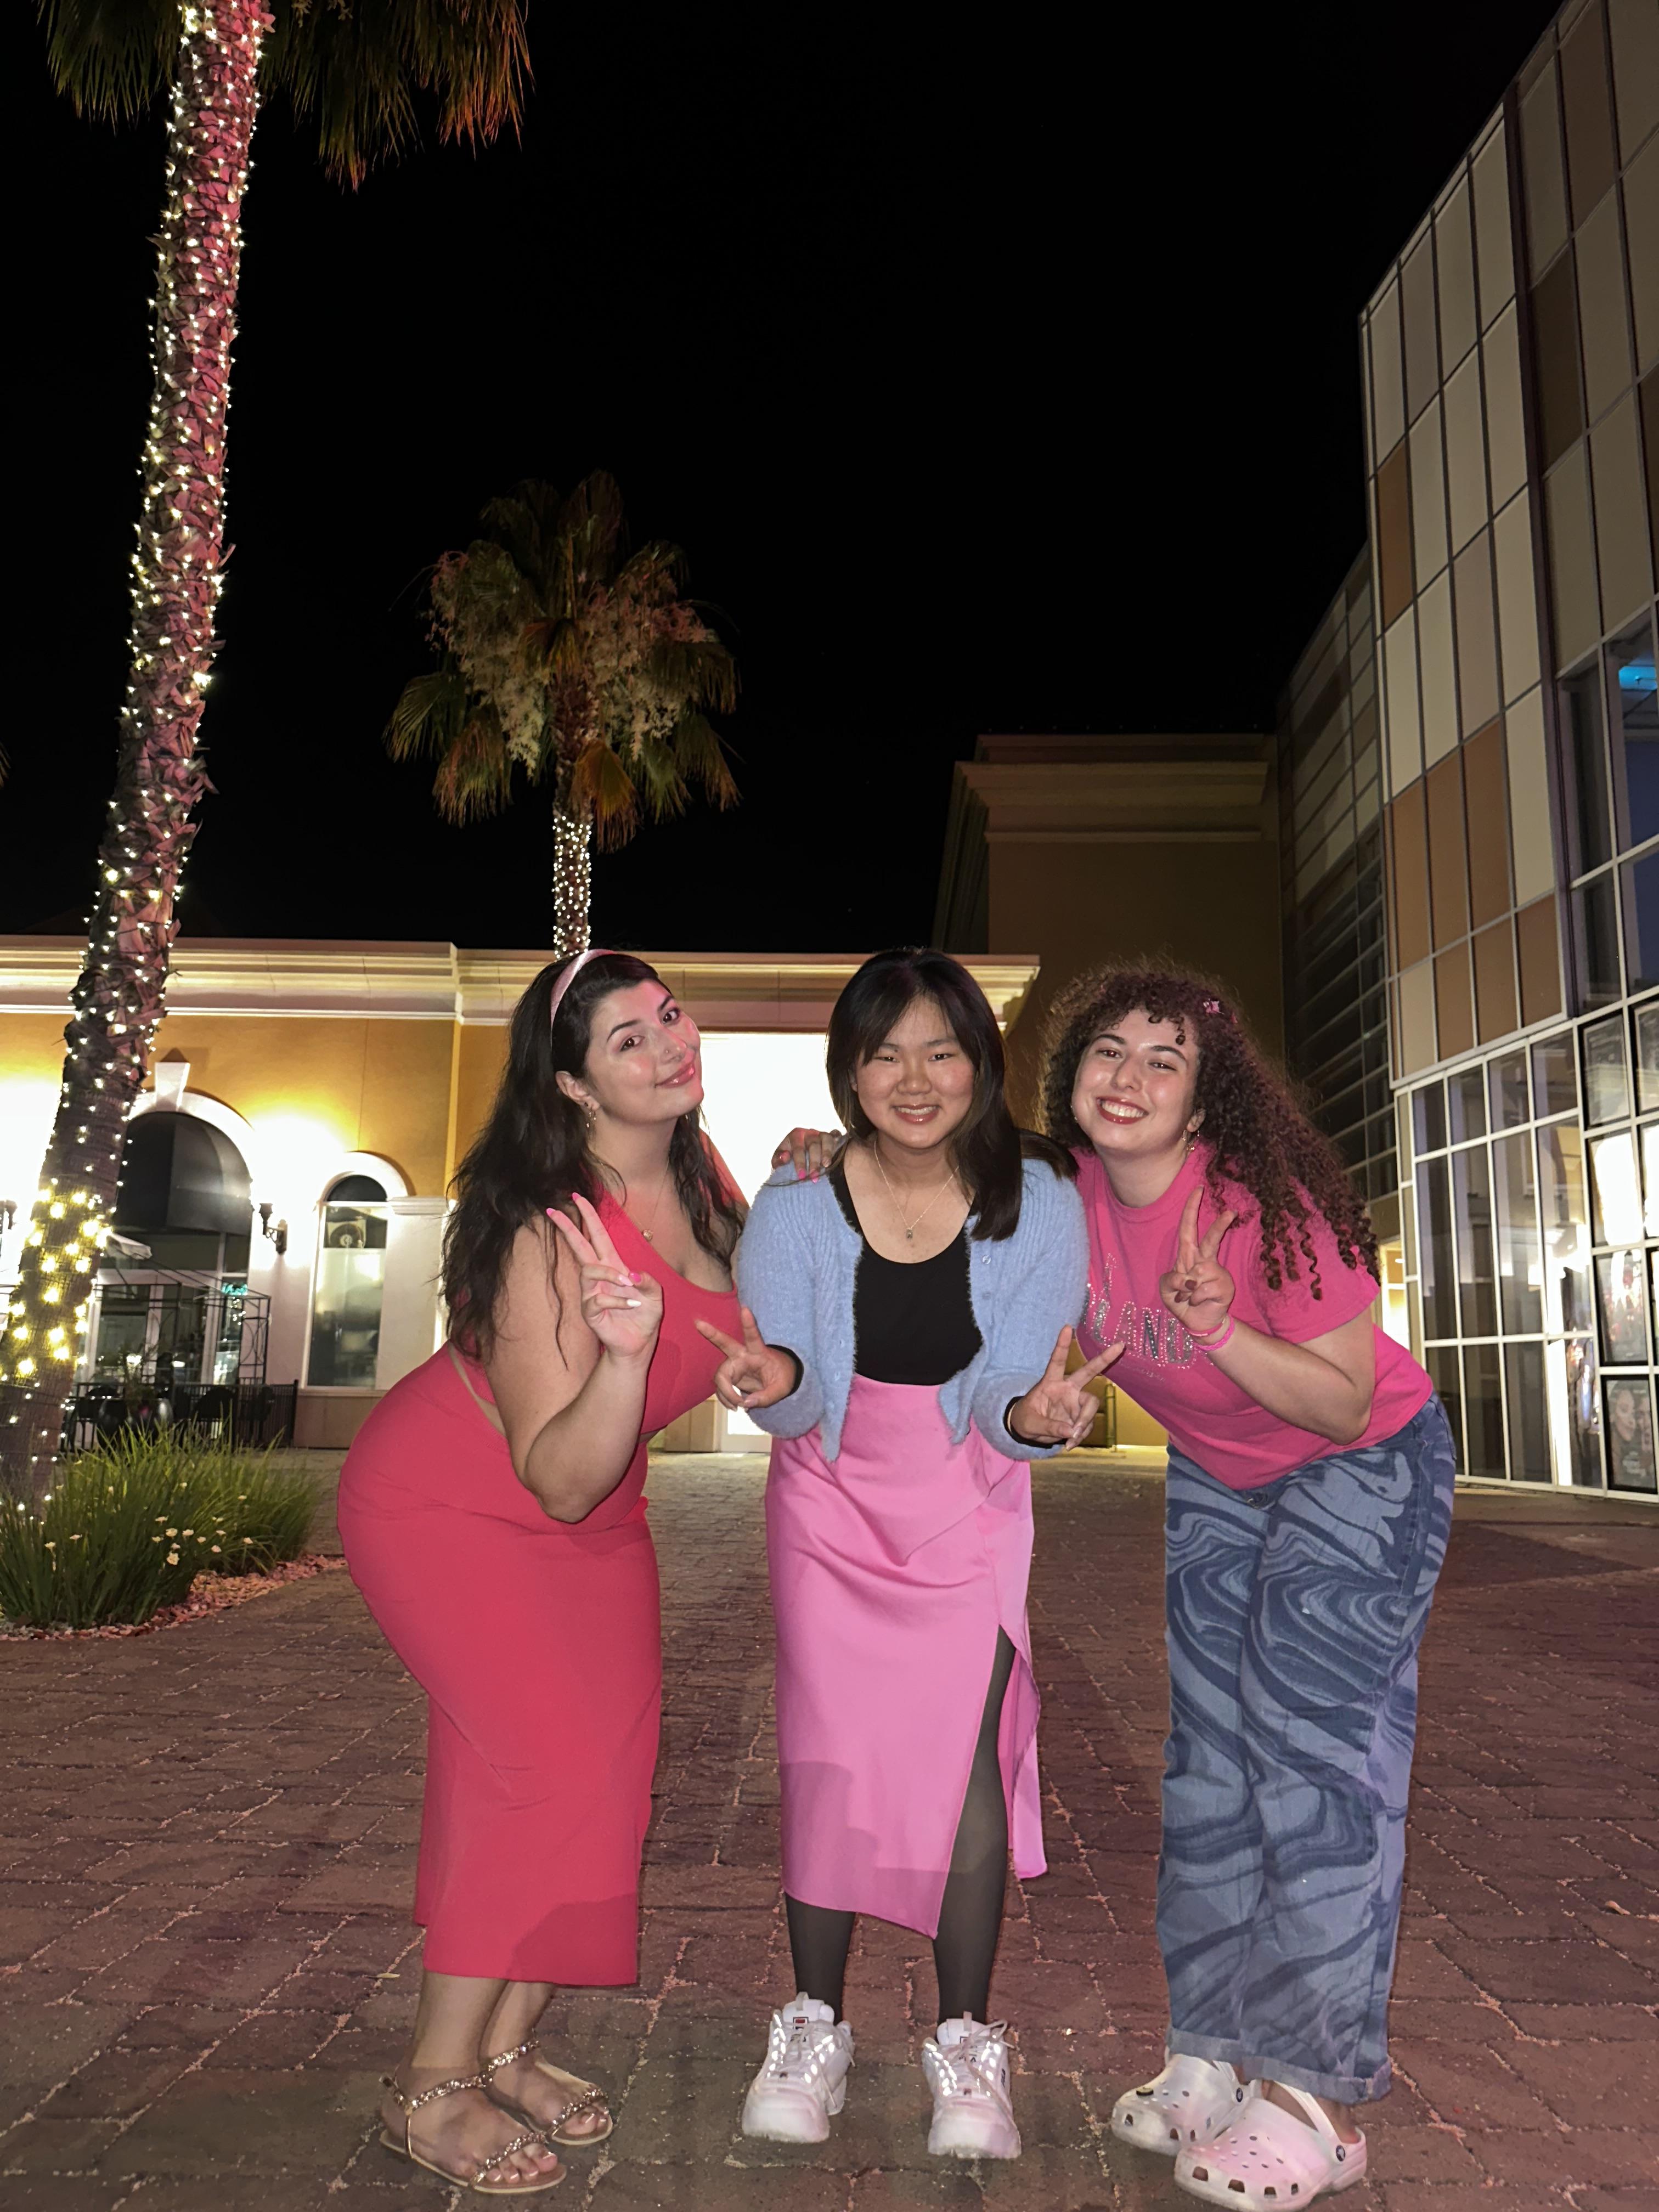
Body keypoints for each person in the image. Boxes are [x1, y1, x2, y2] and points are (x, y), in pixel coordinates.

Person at [1041, 964, 1453, 2211]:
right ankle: (1212, 2055)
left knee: (1311, 1755)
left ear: (1204, 1099)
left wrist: (1220, 1328)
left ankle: (1315, 2098)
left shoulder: (1266, 1210)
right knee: (1211, 1763)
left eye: (1163, 1061)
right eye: (1109, 1052)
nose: (1129, 1077)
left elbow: (1336, 1398)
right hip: (1222, 1475)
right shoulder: (1058, 1203)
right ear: (1072, 1080)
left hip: (1365, 1462)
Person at [336, 950, 743, 2197]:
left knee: (610, 1782)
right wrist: (627, 1363)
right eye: (629, 1039)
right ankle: (431, 2081)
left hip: (601, 1523)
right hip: (458, 1505)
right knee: (537, 1772)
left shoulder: (708, 1181)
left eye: (669, 1016)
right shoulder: (542, 1225)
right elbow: (555, 1471)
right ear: (571, 1083)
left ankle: (505, 2050)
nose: (670, 1044)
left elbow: (752, 1339)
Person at [700, 949, 1113, 2161]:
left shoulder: (1041, 1200)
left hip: (966, 1495)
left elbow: (1010, 1390)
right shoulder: (794, 1201)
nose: (914, 1078)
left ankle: (968, 2041)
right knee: (828, 1752)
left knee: (964, 1758)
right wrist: (771, 1385)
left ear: (982, 1064)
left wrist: (1035, 1422)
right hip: (831, 1497)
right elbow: (792, 1390)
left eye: (942, 1049)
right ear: (850, 1073)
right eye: (885, 1054)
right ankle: (815, 2025)